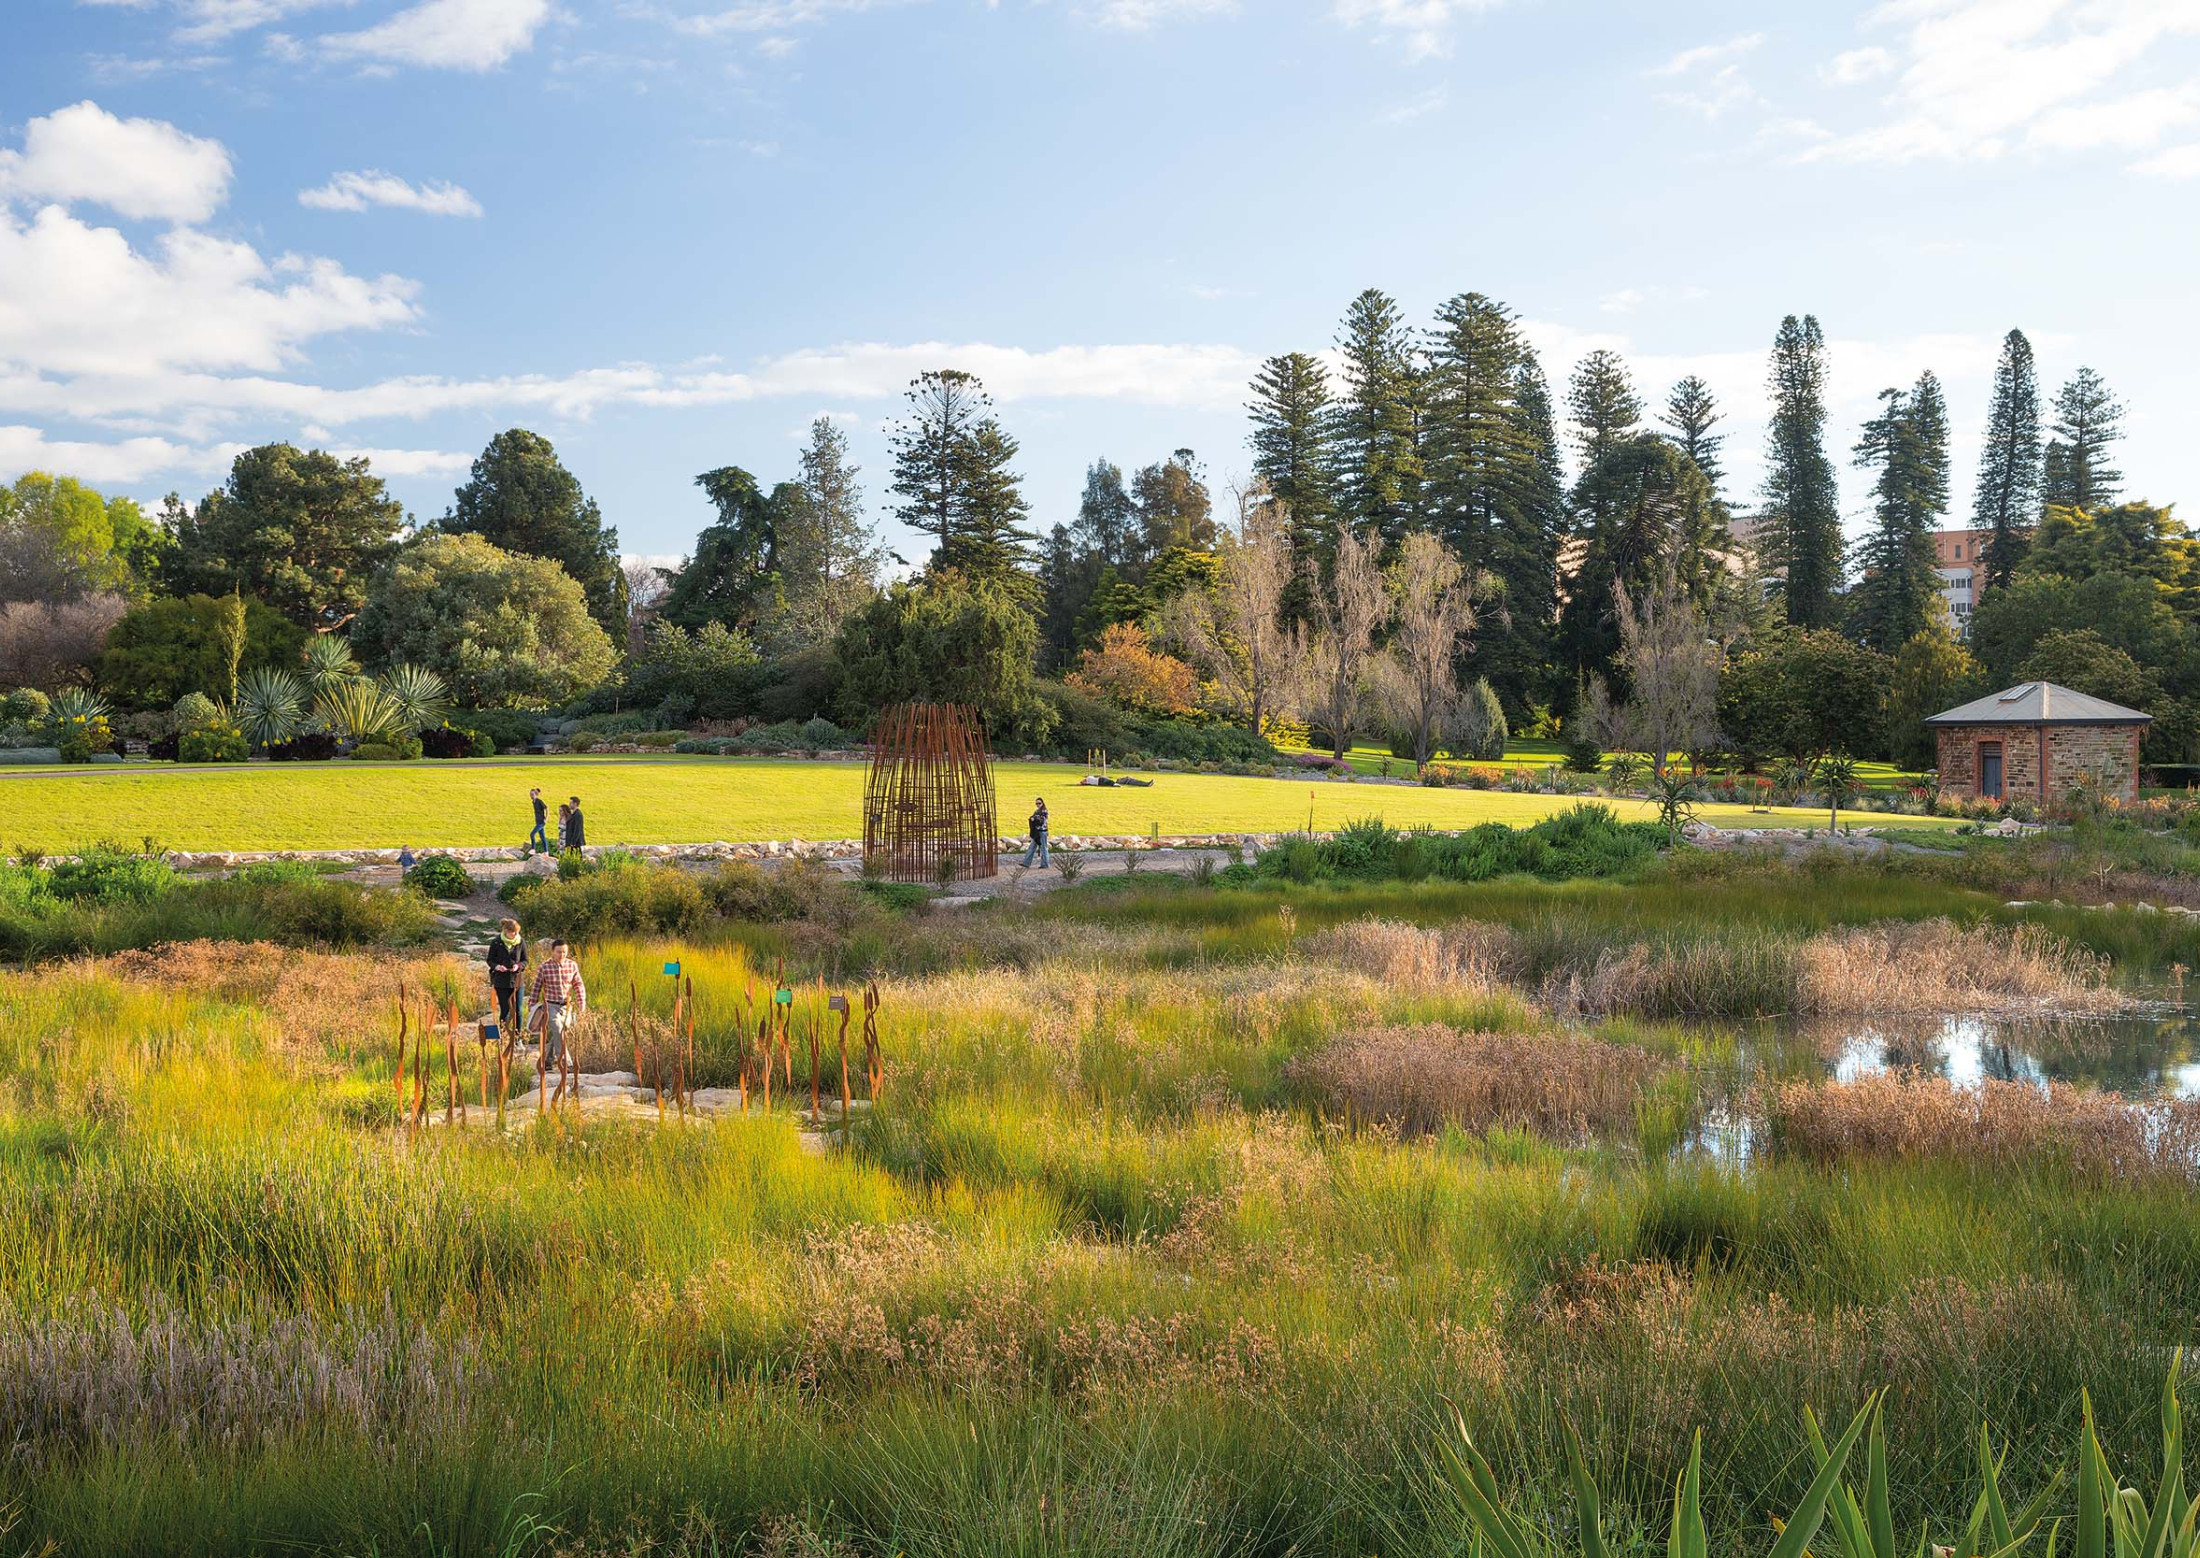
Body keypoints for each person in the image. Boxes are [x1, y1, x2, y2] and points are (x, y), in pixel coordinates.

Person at [529, 938, 586, 1071]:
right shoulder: (544, 967)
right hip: (550, 1006)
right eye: (559, 952)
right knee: (558, 1030)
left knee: (560, 1034)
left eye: (564, 952)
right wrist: (532, 1006)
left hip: (566, 1006)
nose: (562, 955)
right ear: (553, 952)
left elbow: (578, 984)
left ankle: (546, 1061)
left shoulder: (572, 965)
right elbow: (536, 987)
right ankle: (567, 1063)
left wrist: (581, 1002)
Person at [485, 918, 527, 1030]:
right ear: (506, 931)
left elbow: (525, 960)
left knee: (518, 1010)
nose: (515, 934)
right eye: (513, 932)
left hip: (517, 981)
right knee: (505, 1010)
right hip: (501, 981)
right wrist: (497, 966)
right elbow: (490, 960)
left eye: (517, 932)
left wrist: (518, 966)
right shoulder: (496, 942)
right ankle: (504, 1035)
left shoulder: (521, 941)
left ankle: (518, 1038)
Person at [1021, 796, 1050, 868]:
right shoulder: (1037, 811)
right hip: (1037, 832)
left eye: (1039, 803)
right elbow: (1033, 818)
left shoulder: (1044, 811)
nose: (1038, 805)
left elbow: (1043, 821)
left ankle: (1045, 864)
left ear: (1042, 803)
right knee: (1032, 847)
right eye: (1036, 803)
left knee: (1044, 848)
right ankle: (1026, 863)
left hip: (1042, 832)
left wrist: (1035, 818)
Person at [528, 788, 548, 854]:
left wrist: (546, 818)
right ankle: (546, 851)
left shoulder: (539, 801)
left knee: (532, 834)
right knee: (542, 837)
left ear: (536, 794)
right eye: (530, 794)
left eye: (532, 794)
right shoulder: (533, 802)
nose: (531, 796)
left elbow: (546, 808)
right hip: (538, 821)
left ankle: (533, 849)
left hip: (541, 822)